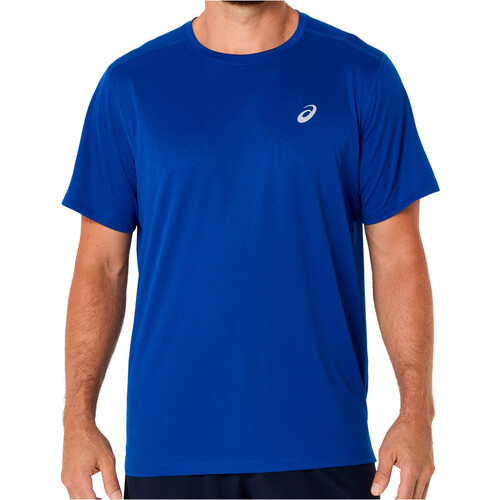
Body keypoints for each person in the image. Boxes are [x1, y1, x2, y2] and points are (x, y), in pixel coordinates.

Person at [60, 1, 439, 498]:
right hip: (171, 448)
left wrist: (416, 412)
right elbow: (101, 266)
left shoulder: (362, 76)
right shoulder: (130, 87)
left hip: (322, 444)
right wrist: (77, 420)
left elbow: (397, 258)